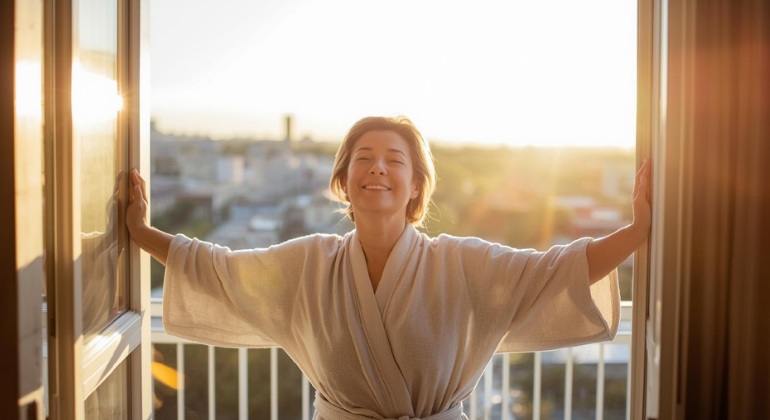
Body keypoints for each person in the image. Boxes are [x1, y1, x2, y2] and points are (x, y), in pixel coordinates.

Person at [127, 116, 651, 420]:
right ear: (343, 181)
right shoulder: (308, 263)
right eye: (363, 157)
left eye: (395, 159)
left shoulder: (461, 263)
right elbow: (219, 269)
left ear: (417, 185)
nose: (378, 166)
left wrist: (635, 232)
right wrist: (140, 232)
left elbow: (555, 270)